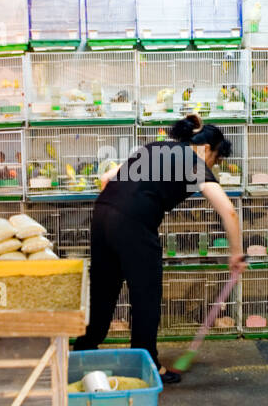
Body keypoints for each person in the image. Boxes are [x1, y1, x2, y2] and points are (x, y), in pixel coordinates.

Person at [73, 115, 244, 384]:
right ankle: (146, 363)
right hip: (134, 223)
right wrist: (236, 253)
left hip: (103, 213)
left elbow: (107, 177)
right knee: (146, 295)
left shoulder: (155, 147)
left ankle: (83, 351)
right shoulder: (195, 164)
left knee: (103, 289)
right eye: (216, 159)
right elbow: (229, 211)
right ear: (207, 149)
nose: (213, 166)